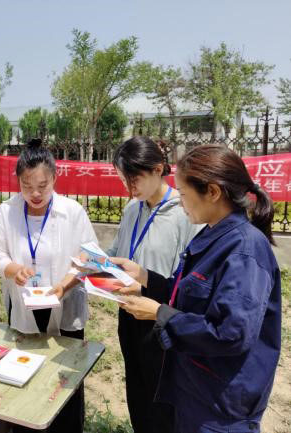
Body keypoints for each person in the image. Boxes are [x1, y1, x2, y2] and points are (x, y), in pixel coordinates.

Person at [112, 144, 281, 433]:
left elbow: (230, 333)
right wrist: (144, 276)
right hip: (195, 386)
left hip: (221, 404)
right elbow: (184, 292)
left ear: (212, 192)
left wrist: (159, 313)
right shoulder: (212, 236)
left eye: (183, 194)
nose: (181, 203)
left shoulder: (244, 250)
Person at [0, 139, 98, 433]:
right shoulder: (7, 212)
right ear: (18, 182)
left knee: (65, 380)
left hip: (65, 304)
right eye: (27, 186)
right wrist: (13, 269)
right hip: (24, 305)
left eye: (42, 186)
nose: (34, 194)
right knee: (25, 374)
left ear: (54, 179)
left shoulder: (72, 212)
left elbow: (90, 257)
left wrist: (64, 285)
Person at [105, 136, 201, 433]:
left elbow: (190, 281)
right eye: (124, 180)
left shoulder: (184, 214)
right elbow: (117, 252)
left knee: (162, 404)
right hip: (128, 314)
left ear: (158, 169)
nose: (129, 188)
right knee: (137, 395)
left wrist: (148, 289)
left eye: (134, 179)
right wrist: (95, 262)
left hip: (161, 319)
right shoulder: (132, 209)